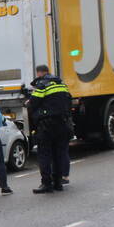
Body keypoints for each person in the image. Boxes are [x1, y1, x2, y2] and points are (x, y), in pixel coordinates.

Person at [26, 65, 72, 193]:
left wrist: (29, 103)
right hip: (63, 123)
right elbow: (68, 100)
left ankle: (46, 183)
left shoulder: (42, 85)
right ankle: (58, 183)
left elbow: (33, 103)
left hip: (47, 125)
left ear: (39, 73)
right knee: (59, 154)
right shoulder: (61, 84)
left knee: (45, 154)